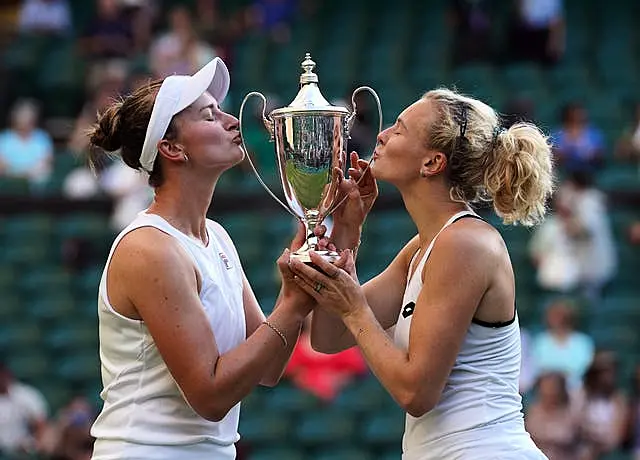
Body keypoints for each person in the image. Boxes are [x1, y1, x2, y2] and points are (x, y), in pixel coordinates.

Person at [284, 88, 554, 459]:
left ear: (432, 163)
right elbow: (328, 338)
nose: (382, 135)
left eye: (399, 129)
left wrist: (354, 309)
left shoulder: (466, 244)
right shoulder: (424, 246)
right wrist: (348, 232)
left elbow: (416, 393)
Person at [86, 57, 312, 459]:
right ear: (171, 148)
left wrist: (295, 287)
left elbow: (270, 367)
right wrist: (292, 307)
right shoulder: (149, 248)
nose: (231, 120)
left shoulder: (218, 237)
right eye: (210, 115)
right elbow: (209, 396)